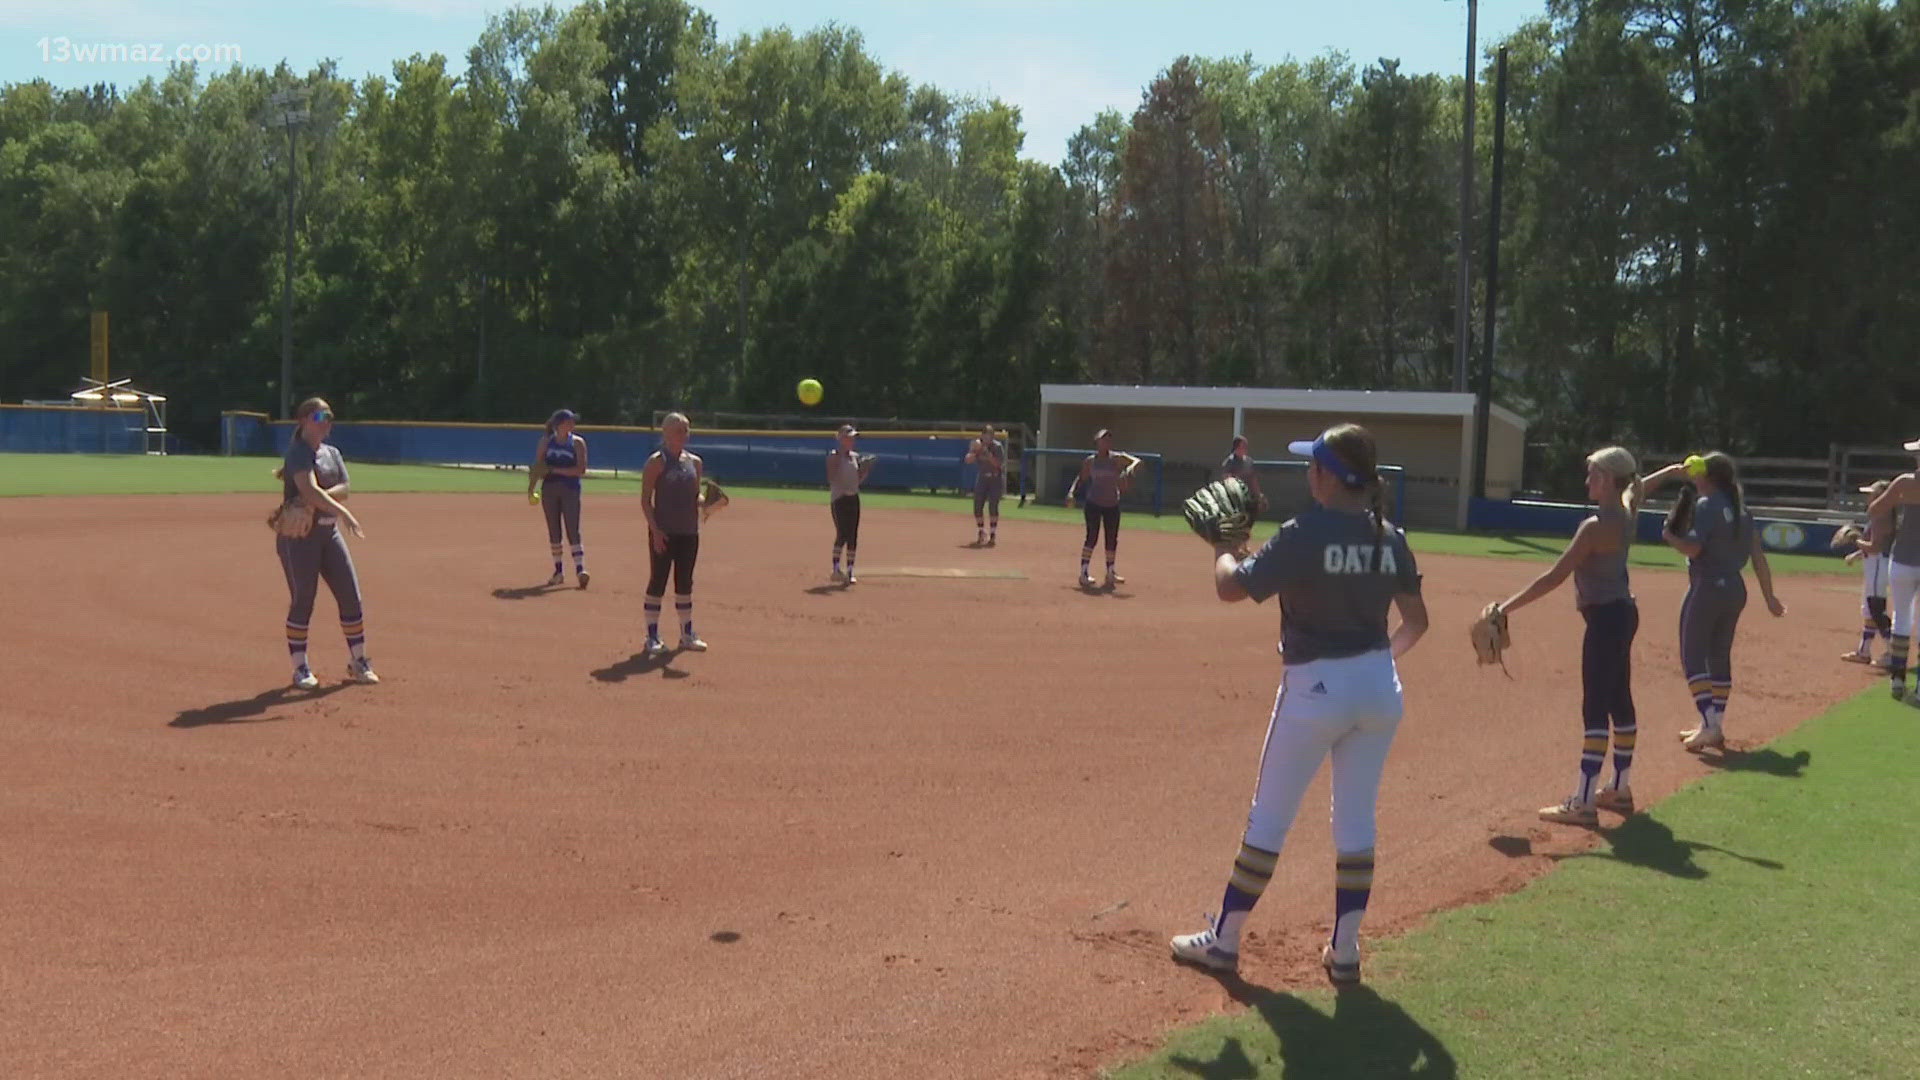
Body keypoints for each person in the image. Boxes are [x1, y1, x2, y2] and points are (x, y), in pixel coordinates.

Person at [1170, 424, 1428, 989]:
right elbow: (1417, 623)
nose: (1308, 472)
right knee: (1356, 820)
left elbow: (1231, 587)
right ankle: (1346, 951)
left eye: (1314, 465)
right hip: (1379, 690)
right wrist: (1375, 668)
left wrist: (1222, 548)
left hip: (1315, 690)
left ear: (1329, 477)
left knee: (1270, 817)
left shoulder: (1305, 532)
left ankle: (1225, 940)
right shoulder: (1393, 536)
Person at [1487, 447, 1644, 826]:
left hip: (1605, 621)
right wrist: (1670, 472)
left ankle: (1584, 801)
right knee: (1620, 701)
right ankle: (1619, 788)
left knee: (1595, 708)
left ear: (1607, 480)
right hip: (1624, 615)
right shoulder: (1627, 512)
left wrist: (1505, 608)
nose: (1587, 480)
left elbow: (1554, 577)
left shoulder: (1594, 527)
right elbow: (1640, 487)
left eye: (1592, 474)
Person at [1640, 453, 1787, 750]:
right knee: (1719, 656)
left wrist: (1669, 536)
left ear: (1707, 476)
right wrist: (1769, 597)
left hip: (1707, 587)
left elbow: (1693, 550)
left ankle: (1709, 724)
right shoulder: (1742, 511)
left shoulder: (1707, 505)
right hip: (1735, 588)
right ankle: (1714, 722)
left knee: (1692, 654)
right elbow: (1758, 558)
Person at [273, 397, 377, 689]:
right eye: (321, 416)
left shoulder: (332, 453)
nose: (327, 422)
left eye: (329, 417)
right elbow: (309, 488)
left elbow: (343, 488)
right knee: (303, 599)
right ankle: (300, 668)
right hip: (299, 539)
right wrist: (341, 510)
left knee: (351, 596)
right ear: (304, 420)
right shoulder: (298, 452)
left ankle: (359, 661)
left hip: (328, 534)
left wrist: (323, 501)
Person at [640, 413, 722, 657]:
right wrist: (655, 531)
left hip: (689, 531)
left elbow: (693, 496)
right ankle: (652, 636)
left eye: (686, 430)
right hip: (664, 531)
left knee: (685, 582)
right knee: (658, 581)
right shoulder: (657, 462)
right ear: (665, 433)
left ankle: (687, 634)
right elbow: (645, 500)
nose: (684, 435)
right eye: (679, 430)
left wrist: (708, 503)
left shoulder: (694, 462)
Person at [1865, 441, 1920, 703]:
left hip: (1902, 558)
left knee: (1901, 618)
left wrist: (1896, 514)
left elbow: (1875, 509)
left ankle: (1897, 679)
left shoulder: (1904, 483)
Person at [1065, 429, 1142, 588]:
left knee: (1111, 539)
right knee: (1092, 537)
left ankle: (1110, 572)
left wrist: (1130, 468)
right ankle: (1084, 572)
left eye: (1109, 440)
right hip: (1093, 503)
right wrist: (1071, 492)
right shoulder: (1090, 461)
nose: (1106, 442)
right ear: (1097, 442)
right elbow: (1081, 478)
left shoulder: (1116, 458)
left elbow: (1137, 461)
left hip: (1112, 503)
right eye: (1103, 439)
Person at [529, 409, 590, 588]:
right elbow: (538, 466)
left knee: (573, 528)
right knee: (554, 530)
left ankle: (580, 570)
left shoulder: (577, 443)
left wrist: (554, 471)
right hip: (549, 490)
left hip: (570, 489)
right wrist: (531, 489)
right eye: (569, 421)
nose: (572, 425)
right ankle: (558, 571)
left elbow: (581, 469)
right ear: (559, 424)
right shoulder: (546, 441)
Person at [1840, 480, 1894, 666]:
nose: (1869, 497)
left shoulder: (1882, 516)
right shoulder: (1878, 515)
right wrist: (1856, 554)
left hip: (1878, 563)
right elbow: (1871, 546)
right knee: (1869, 610)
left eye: (1872, 493)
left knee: (1876, 608)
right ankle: (1864, 652)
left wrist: (1854, 538)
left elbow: (1874, 547)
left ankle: (1893, 652)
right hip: (1874, 563)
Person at [827, 424, 874, 585]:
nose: (852, 440)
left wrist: (865, 472)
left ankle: (850, 571)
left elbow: (856, 481)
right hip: (839, 499)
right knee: (842, 534)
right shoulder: (834, 456)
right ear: (841, 439)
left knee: (853, 536)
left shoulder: (855, 457)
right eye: (849, 437)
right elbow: (832, 477)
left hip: (853, 498)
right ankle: (835, 569)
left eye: (853, 438)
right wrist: (839, 460)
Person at [965, 424, 1007, 547]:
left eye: (990, 435)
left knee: (993, 507)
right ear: (982, 435)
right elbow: (968, 460)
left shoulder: (997, 447)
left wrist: (986, 453)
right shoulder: (977, 445)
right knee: (977, 506)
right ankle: (981, 531)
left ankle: (993, 534)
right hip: (982, 477)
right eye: (985, 435)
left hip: (995, 478)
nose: (987, 437)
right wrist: (975, 452)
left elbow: (998, 464)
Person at [1220, 435, 1266, 515]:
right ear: (1236, 447)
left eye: (1246, 446)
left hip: (1247, 496)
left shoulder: (1249, 461)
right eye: (1243, 446)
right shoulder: (1229, 462)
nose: (1245, 448)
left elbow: (1253, 479)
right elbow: (1226, 481)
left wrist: (1258, 494)